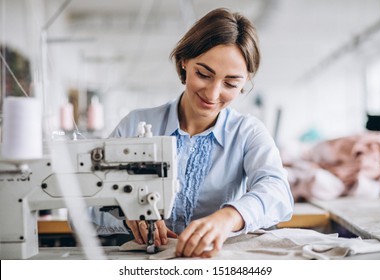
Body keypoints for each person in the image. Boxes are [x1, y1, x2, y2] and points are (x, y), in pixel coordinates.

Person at [89, 7, 293, 258]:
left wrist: (228, 217)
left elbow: (277, 192)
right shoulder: (136, 124)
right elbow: (87, 200)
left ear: (245, 80)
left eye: (230, 83)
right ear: (184, 61)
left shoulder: (248, 133)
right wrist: (127, 214)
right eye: (203, 74)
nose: (212, 93)